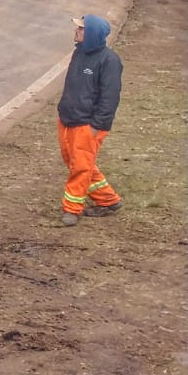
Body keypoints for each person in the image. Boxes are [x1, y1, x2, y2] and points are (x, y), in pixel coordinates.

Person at [57, 13, 123, 226]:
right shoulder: (79, 54)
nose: (77, 30)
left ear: (92, 33)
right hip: (68, 119)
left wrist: (97, 126)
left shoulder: (109, 61)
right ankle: (108, 200)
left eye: (81, 28)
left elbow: (109, 97)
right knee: (75, 162)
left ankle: (72, 210)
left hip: (88, 124)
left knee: (80, 167)